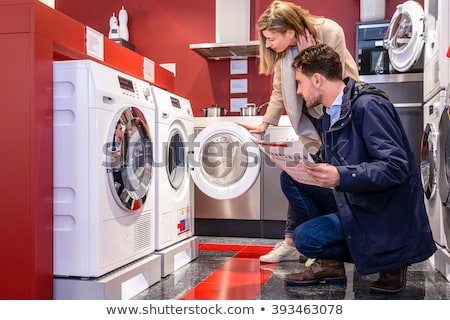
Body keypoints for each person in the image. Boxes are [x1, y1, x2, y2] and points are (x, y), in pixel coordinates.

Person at [280, 43, 436, 293]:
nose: (298, 91)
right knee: (289, 179)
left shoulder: (368, 106)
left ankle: (393, 257)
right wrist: (306, 167)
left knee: (305, 238)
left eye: (300, 82)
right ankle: (329, 264)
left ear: (317, 79)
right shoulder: (331, 114)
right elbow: (334, 161)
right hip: (359, 196)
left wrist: (341, 175)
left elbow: (395, 167)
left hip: (384, 212)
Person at [238, 0, 359, 264]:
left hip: (340, 117)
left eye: (271, 38)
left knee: (324, 178)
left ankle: (317, 246)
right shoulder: (284, 54)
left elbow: (331, 81)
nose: (268, 45)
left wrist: (312, 55)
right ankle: (297, 243)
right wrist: (264, 124)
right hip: (312, 121)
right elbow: (279, 92)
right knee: (299, 174)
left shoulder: (330, 31)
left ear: (290, 33)